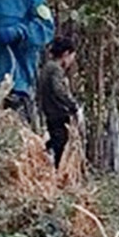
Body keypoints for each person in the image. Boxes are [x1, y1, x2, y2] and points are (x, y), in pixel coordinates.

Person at [36, 37, 80, 167]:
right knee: (60, 148)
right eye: (72, 57)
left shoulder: (47, 67)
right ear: (66, 54)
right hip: (57, 114)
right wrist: (73, 106)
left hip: (50, 113)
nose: (71, 61)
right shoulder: (55, 69)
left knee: (56, 143)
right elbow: (58, 90)